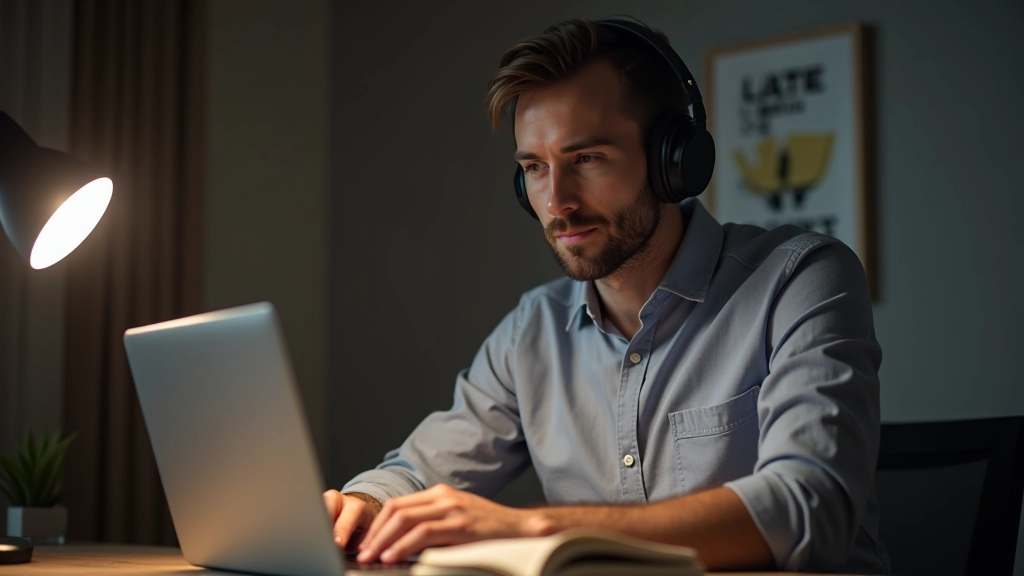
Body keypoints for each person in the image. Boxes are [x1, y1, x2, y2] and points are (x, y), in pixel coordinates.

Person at [323, 17, 889, 574]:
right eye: (535, 169)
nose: (558, 201)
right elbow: (417, 471)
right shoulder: (533, 331)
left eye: (586, 159)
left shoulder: (800, 278)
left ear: (675, 161)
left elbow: (809, 506)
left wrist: (535, 527)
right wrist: (363, 506)